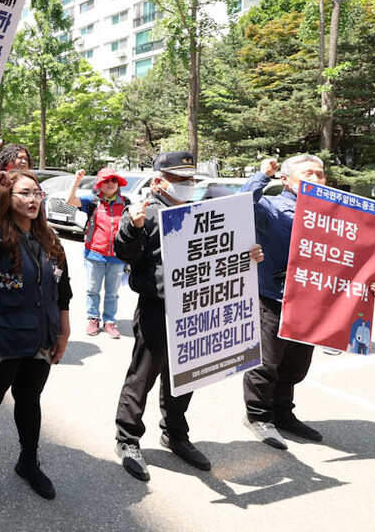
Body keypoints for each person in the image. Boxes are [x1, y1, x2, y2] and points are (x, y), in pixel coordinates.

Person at [112, 151, 264, 481]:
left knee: (187, 376)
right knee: (143, 376)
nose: (188, 185)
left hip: (195, 309)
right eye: (180, 180)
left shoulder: (202, 214)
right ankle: (127, 438)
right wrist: (133, 227)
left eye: (191, 180)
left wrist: (248, 253)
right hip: (157, 308)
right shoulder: (144, 213)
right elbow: (125, 252)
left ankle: (176, 435)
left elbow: (225, 253)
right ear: (158, 182)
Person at [241, 155, 375, 449]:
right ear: (286, 180)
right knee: (266, 364)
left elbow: (349, 258)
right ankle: (258, 416)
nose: (317, 179)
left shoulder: (337, 214)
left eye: (321, 174)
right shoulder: (272, 208)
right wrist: (261, 175)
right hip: (273, 297)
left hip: (311, 302)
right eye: (308, 173)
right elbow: (240, 206)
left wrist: (367, 284)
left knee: (295, 365)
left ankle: (282, 413)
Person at [0, 169, 71, 511]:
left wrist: (64, 331)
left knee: (29, 401)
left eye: (36, 193)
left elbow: (62, 291)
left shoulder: (51, 241)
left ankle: (28, 461)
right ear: (10, 199)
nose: (33, 199)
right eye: (24, 193)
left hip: (39, 341)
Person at [66, 167, 131, 339]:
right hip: (94, 254)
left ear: (118, 184)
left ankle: (109, 321)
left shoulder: (126, 203)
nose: (110, 184)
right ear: (100, 184)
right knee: (92, 289)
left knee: (112, 293)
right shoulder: (92, 201)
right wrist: (77, 180)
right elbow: (70, 200)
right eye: (106, 181)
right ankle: (93, 318)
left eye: (113, 180)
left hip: (117, 257)